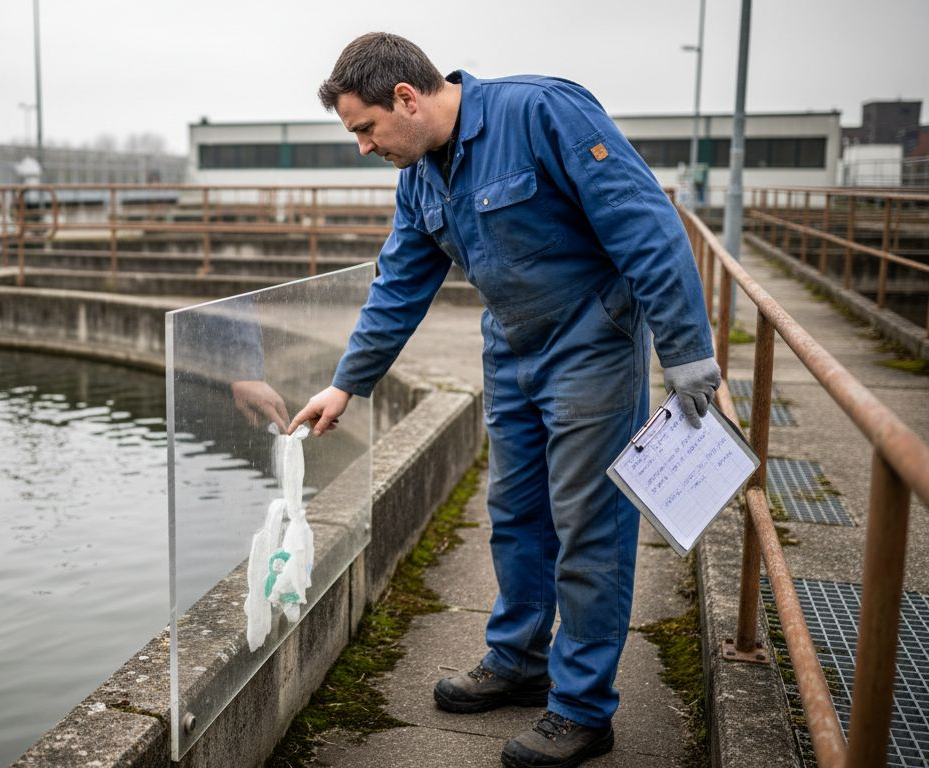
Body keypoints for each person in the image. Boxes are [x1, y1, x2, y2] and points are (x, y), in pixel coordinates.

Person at [289, 32, 720, 768]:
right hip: (512, 349)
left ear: (406, 97)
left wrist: (687, 352)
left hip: (591, 344)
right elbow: (398, 284)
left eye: (365, 129)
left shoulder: (543, 112)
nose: (362, 146)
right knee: (515, 511)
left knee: (587, 525)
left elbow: (644, 224)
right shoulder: (423, 174)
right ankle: (519, 657)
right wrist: (347, 382)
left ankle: (583, 708)